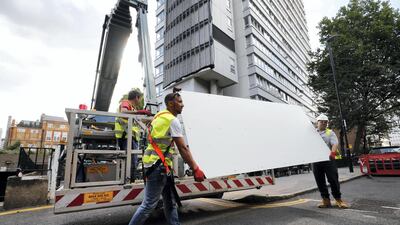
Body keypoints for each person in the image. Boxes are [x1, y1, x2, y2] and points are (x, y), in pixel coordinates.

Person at [128, 89, 205, 225]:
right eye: (179, 102)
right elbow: (182, 148)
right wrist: (195, 168)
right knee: (148, 205)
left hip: (156, 165)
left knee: (170, 201)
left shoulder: (158, 117)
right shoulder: (172, 120)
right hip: (158, 167)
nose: (182, 105)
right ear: (170, 104)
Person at [312, 114, 348, 209]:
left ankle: (338, 199)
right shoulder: (313, 132)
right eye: (322, 121)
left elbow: (335, 143)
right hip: (316, 160)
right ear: (317, 122)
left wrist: (332, 153)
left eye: (326, 122)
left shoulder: (329, 132)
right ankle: (326, 200)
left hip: (328, 160)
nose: (324, 123)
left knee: (333, 179)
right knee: (320, 181)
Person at [115, 90, 142, 180]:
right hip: (126, 136)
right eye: (140, 98)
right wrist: (139, 112)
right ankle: (128, 180)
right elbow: (123, 112)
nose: (140, 101)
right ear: (136, 97)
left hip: (131, 137)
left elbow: (137, 122)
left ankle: (129, 180)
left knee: (132, 161)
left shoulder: (133, 109)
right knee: (130, 162)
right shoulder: (126, 102)